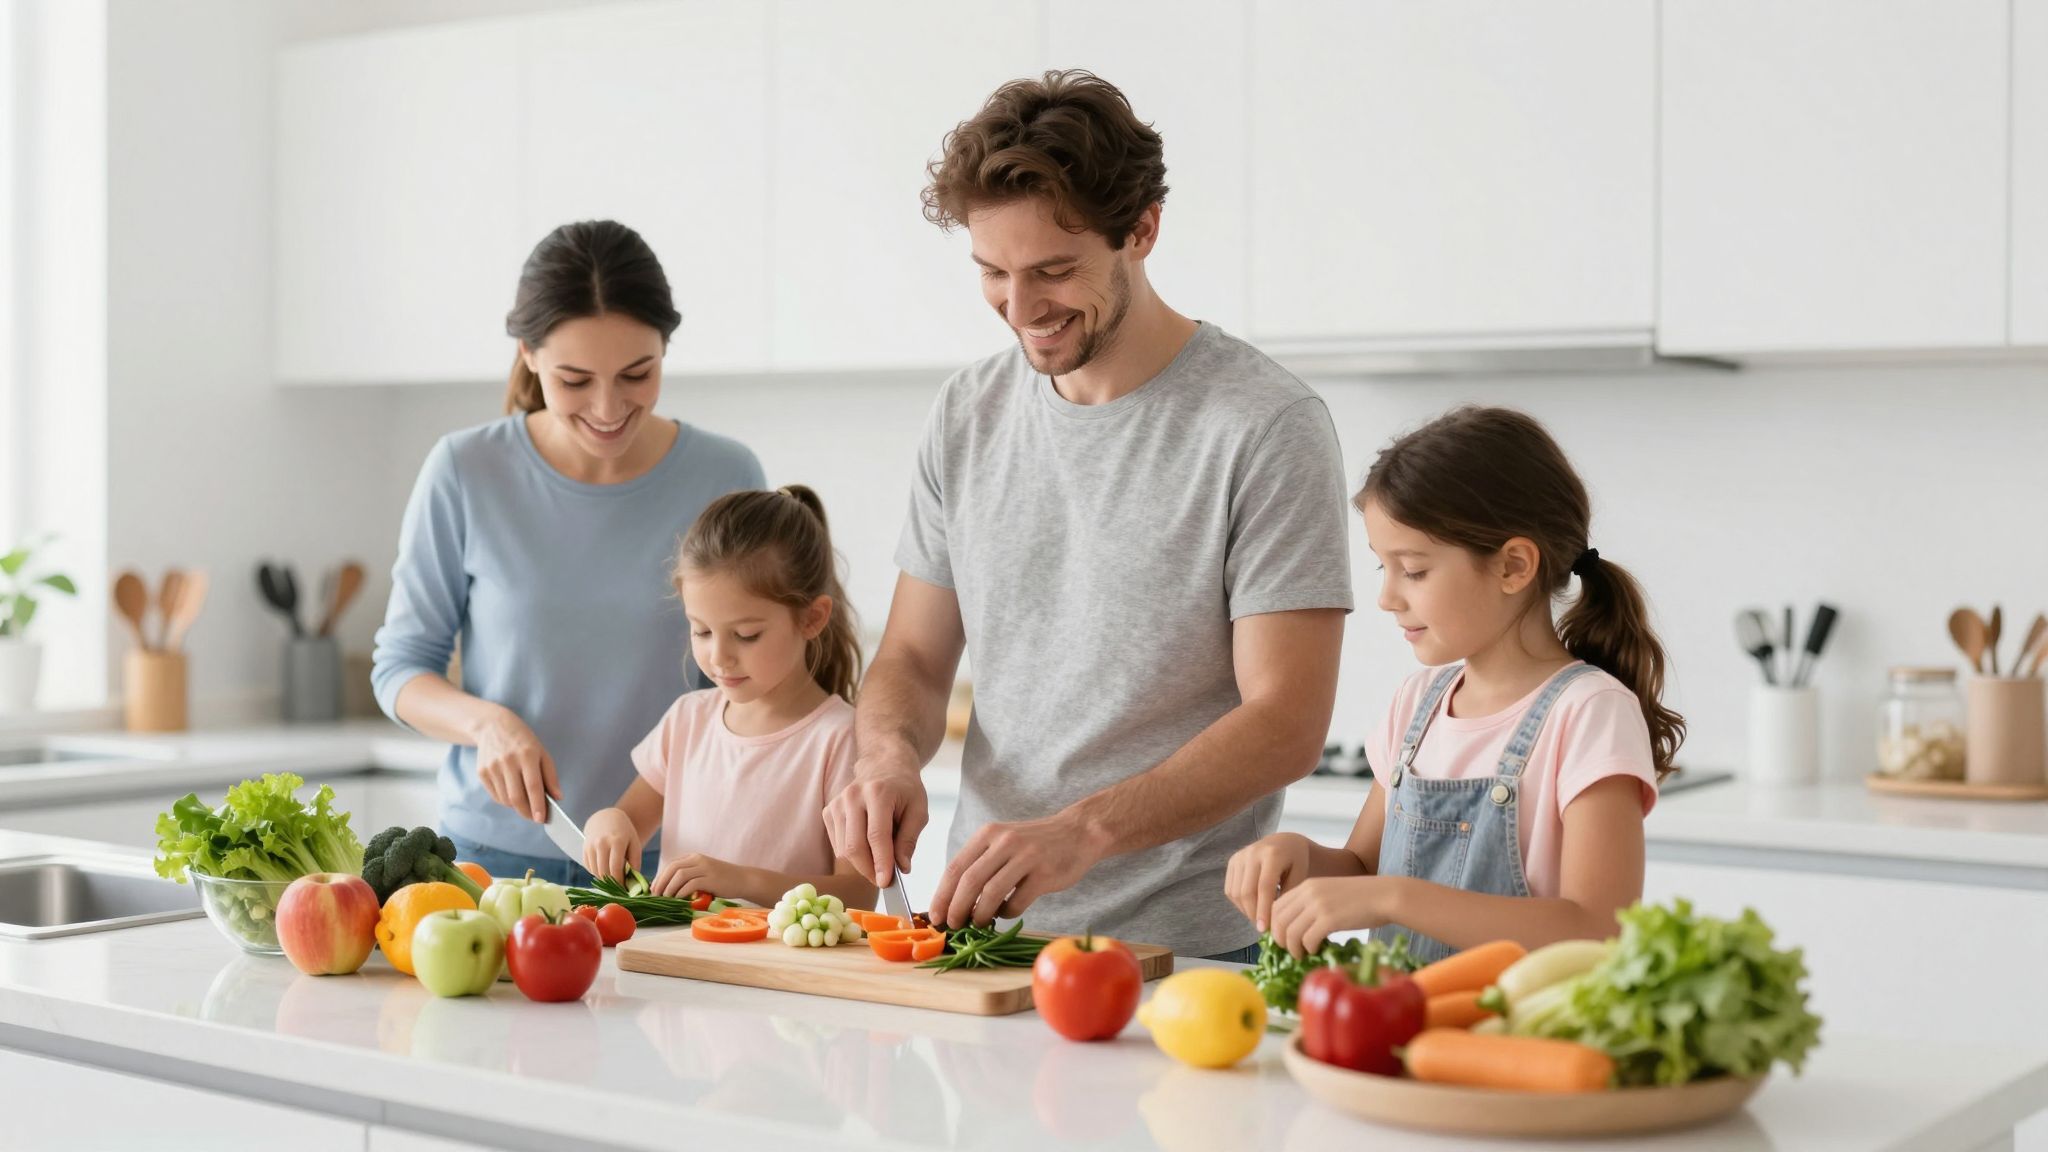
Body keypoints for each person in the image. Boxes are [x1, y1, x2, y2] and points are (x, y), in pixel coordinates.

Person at [824, 71, 1352, 960]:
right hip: (979, 940)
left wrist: (1084, 831)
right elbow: (912, 656)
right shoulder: (968, 413)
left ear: (1142, 230)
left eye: (1053, 272)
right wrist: (885, 757)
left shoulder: (1264, 426)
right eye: (992, 273)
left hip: (1185, 956)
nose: (1021, 308)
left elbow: (1286, 722)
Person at [371, 220, 763, 886]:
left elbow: (754, 685)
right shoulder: (465, 470)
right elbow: (400, 669)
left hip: (672, 861)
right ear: (527, 353)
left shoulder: (726, 475)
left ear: (665, 348)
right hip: (492, 856)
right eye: (575, 380)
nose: (608, 408)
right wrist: (486, 724)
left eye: (637, 374)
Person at [1226, 406, 1682, 963]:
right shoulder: (1417, 703)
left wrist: (1395, 897)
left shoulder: (1589, 712)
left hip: (1521, 1021)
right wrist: (1300, 857)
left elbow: (1595, 930)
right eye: (1383, 568)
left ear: (1514, 567)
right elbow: (1364, 868)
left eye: (1414, 570)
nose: (1387, 598)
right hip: (1405, 1016)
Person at [581, 486, 877, 910]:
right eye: (701, 630)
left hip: (777, 955)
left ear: (812, 618)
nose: (718, 657)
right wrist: (606, 822)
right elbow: (625, 820)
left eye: (746, 635)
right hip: (676, 947)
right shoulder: (687, 719)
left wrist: (739, 880)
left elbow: (859, 894)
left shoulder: (839, 738)